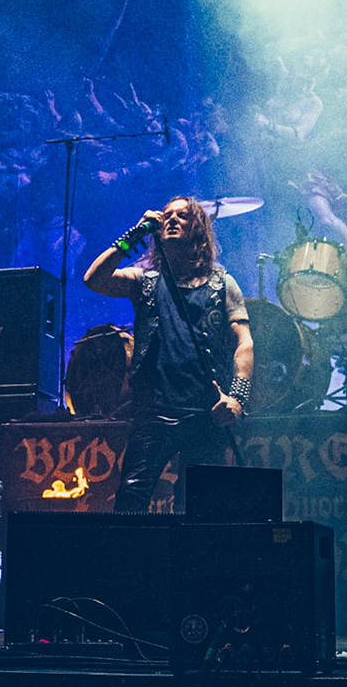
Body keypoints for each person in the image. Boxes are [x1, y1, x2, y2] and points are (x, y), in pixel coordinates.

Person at [84, 197, 253, 514]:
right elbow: (94, 280)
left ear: (199, 229)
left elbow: (244, 341)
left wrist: (238, 397)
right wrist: (133, 234)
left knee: (200, 507)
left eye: (183, 216)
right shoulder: (143, 281)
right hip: (153, 411)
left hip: (204, 412)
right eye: (167, 216)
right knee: (130, 502)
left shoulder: (222, 284)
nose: (172, 220)